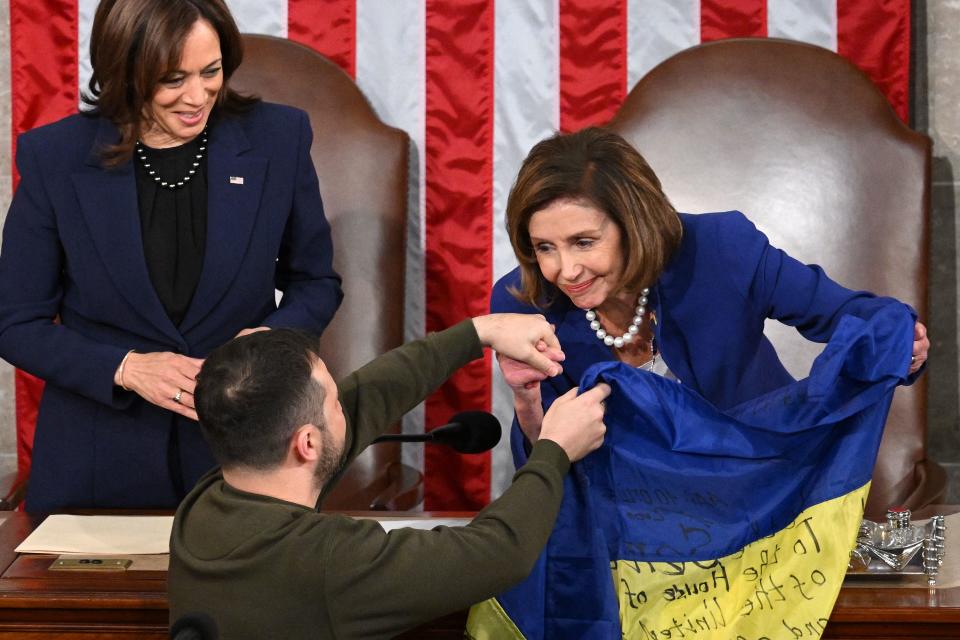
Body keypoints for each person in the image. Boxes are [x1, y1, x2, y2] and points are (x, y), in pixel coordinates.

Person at [0, 0, 343, 512]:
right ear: (125, 73)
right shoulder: (56, 157)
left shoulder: (278, 139)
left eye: (212, 71)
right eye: (172, 79)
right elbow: (15, 322)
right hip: (97, 464)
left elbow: (316, 282)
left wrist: (270, 339)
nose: (198, 95)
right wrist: (125, 367)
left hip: (244, 456)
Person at [492, 126, 929, 458]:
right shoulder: (523, 305)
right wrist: (527, 405)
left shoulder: (721, 249)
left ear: (634, 225)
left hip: (763, 483)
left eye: (584, 242)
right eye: (544, 247)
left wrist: (898, 342)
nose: (565, 270)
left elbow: (846, 315)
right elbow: (547, 469)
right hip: (632, 525)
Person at [168, 314, 610, 640]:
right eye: (335, 401)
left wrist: (479, 333)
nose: (348, 404)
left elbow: (365, 399)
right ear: (306, 444)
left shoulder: (204, 508)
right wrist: (554, 449)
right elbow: (498, 552)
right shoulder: (327, 562)